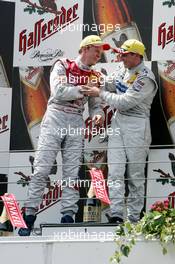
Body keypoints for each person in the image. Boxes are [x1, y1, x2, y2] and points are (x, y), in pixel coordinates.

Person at [18, 35, 110, 236]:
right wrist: (83, 89)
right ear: (85, 48)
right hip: (55, 117)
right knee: (42, 169)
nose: (99, 54)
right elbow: (58, 91)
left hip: (76, 120)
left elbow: (96, 106)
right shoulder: (62, 65)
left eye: (101, 52)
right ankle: (29, 217)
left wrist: (97, 116)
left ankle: (67, 216)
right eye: (96, 50)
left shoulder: (97, 76)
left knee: (72, 172)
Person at [80, 39, 158, 223]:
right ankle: (116, 214)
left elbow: (125, 102)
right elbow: (107, 83)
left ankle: (133, 218)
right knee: (115, 171)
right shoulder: (123, 69)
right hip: (118, 123)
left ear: (136, 56)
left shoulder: (145, 77)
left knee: (135, 175)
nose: (120, 58)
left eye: (124, 55)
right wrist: (96, 79)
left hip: (137, 126)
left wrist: (99, 93)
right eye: (120, 54)